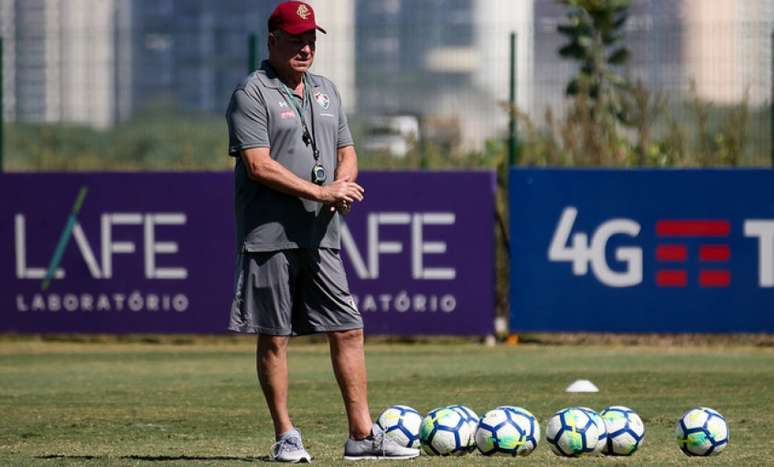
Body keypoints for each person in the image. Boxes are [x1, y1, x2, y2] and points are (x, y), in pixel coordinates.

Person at [225, 1, 419, 463]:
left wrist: (343, 184)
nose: (305, 47)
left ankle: (361, 435)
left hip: (321, 234)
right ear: (273, 40)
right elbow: (258, 165)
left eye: (311, 38)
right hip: (270, 234)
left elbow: (346, 148)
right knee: (274, 336)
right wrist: (321, 190)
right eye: (295, 38)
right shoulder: (250, 93)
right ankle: (286, 434)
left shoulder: (327, 90)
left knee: (349, 329)